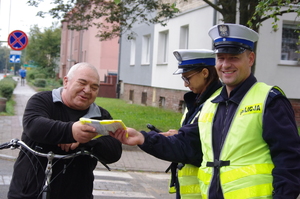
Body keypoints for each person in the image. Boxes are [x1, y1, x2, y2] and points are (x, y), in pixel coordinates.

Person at [111, 23, 300, 199]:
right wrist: (143, 138)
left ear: (250, 58)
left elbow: (290, 161)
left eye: (233, 57)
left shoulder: (269, 99)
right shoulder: (211, 105)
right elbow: (186, 144)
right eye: (220, 58)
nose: (225, 65)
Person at [8, 62, 122, 199]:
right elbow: (34, 126)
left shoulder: (101, 116)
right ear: (66, 82)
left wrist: (84, 140)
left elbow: (114, 151)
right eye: (82, 83)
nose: (87, 90)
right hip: (27, 193)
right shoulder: (42, 100)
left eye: (94, 87)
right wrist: (70, 131)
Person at [163, 49, 222, 199]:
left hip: (206, 190)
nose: (185, 84)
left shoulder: (218, 101)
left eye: (187, 78)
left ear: (204, 73)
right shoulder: (196, 100)